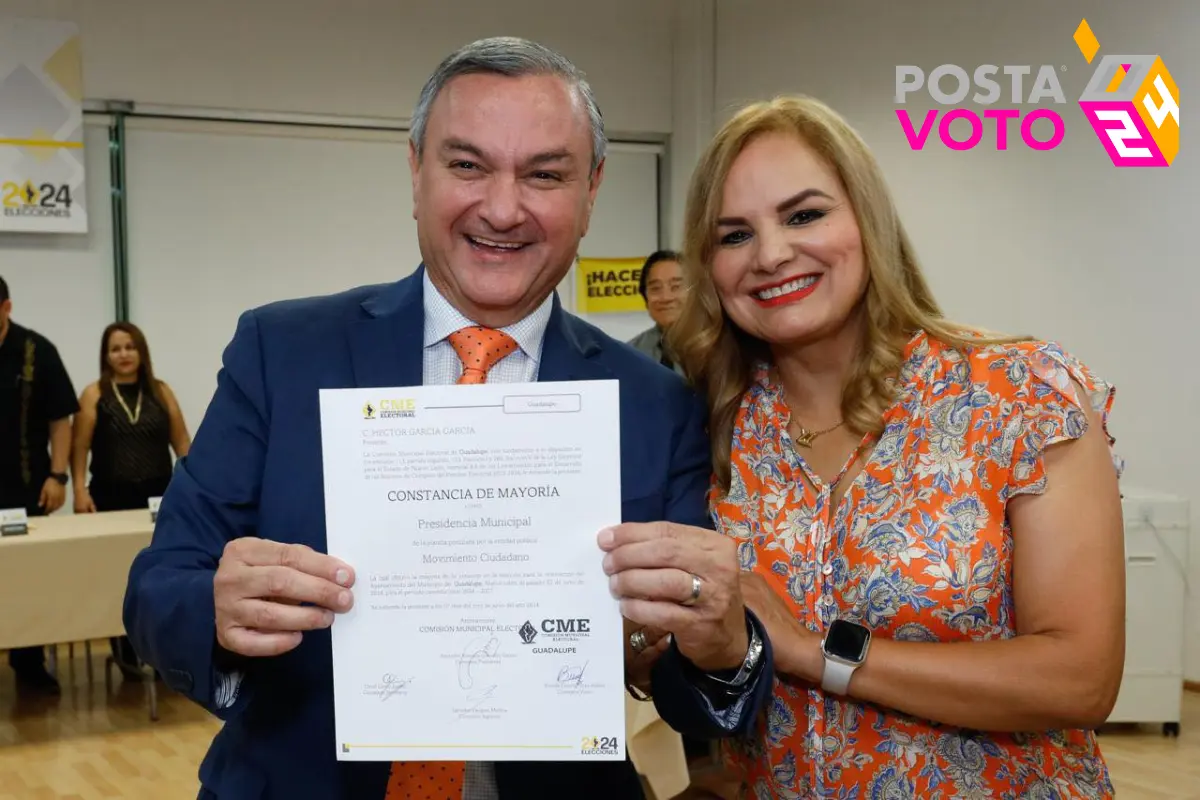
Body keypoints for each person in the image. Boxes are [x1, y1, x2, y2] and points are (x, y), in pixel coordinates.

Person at [122, 38, 773, 800]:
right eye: (467, 165)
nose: (502, 207)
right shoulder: (283, 352)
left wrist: (717, 646)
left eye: (545, 174)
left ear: (592, 190)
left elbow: (692, 691)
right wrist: (217, 608)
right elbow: (156, 589)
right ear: (415, 171)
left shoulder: (655, 403)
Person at [604, 96, 1126, 798]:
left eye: (804, 214)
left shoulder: (1021, 395)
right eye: (733, 235)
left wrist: (813, 654)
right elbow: (682, 656)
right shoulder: (710, 424)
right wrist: (649, 643)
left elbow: (1080, 679)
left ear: (867, 220)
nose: (771, 254)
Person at [73, 321, 191, 679]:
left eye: (129, 347)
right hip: (111, 496)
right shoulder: (94, 394)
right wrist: (78, 489)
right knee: (119, 576)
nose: (123, 354)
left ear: (141, 351)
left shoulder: (160, 391)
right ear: (105, 356)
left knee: (161, 574)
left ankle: (162, 653)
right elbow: (78, 448)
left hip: (158, 496)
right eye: (115, 348)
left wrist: (196, 488)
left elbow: (183, 443)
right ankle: (126, 653)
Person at [0, 275, 78, 695]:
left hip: (27, 487)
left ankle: (28, 663)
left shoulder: (37, 351)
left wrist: (59, 475)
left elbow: (60, 419)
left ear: (6, 308)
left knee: (27, 579)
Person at [627, 250, 687, 375]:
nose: (665, 297)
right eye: (655, 288)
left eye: (676, 287)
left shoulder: (722, 348)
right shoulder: (631, 353)